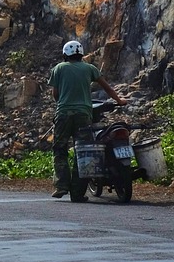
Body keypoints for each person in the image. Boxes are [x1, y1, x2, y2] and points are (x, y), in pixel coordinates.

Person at [49, 40, 127, 199]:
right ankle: (77, 193)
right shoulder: (90, 68)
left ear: (65, 55)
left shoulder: (59, 68)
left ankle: (62, 186)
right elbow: (106, 87)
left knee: (60, 149)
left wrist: (65, 103)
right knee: (82, 151)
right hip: (84, 115)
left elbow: (55, 95)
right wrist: (119, 101)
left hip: (63, 114)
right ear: (81, 54)